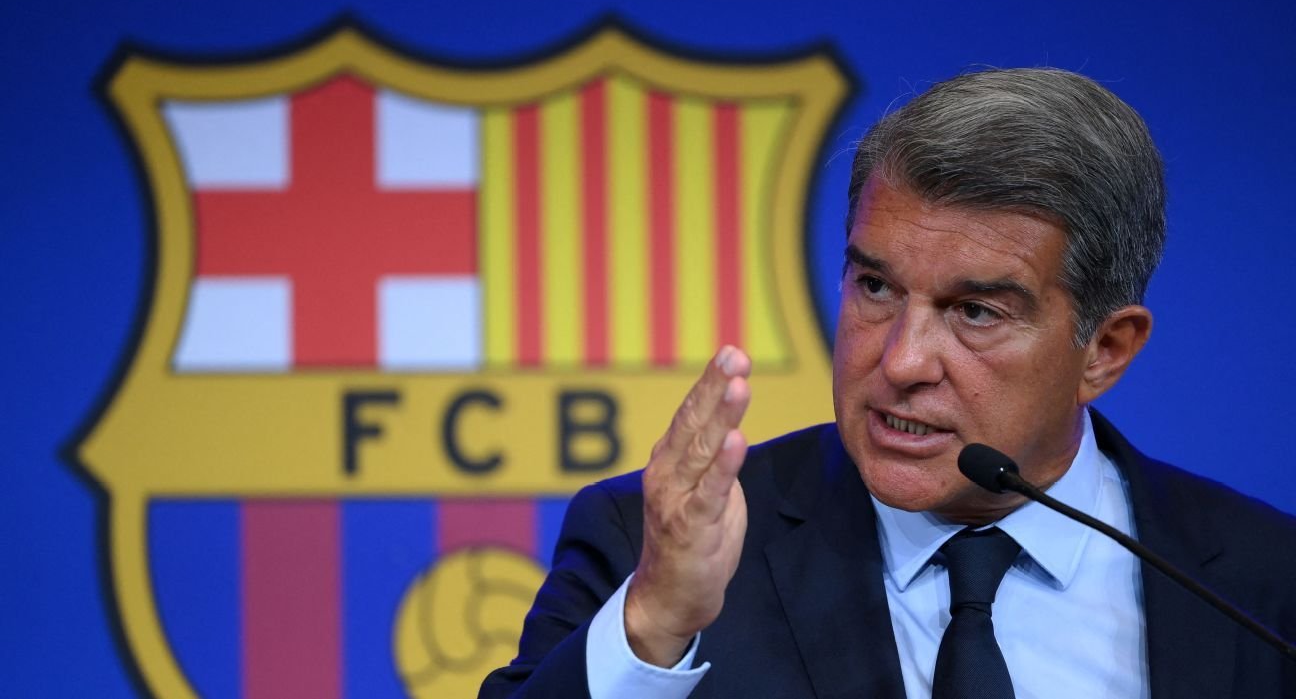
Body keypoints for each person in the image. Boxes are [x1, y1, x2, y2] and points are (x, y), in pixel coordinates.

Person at [479, 68, 1296, 698]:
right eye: (875, 287)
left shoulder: (1261, 583)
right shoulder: (652, 548)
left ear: (1105, 350)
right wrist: (654, 623)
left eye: (975, 312)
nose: (902, 362)